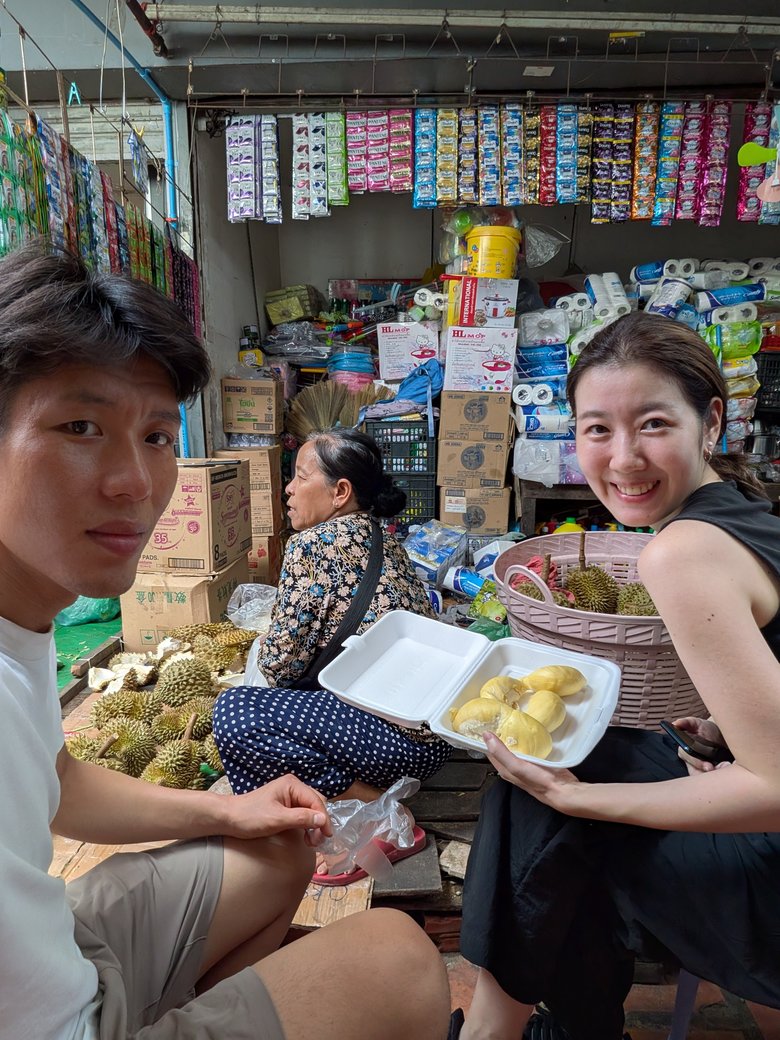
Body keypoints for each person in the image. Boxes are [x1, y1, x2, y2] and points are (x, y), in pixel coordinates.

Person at [0, 242, 451, 1040]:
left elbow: (56, 774)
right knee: (398, 956)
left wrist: (229, 809)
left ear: (337, 492)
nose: (135, 483)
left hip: (61, 954)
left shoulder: (25, 623)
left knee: (248, 734)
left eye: (155, 436)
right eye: (80, 425)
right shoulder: (388, 538)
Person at [454, 311, 780, 1040]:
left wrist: (591, 801)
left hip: (770, 894)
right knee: (557, 778)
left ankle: (495, 1030)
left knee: (544, 791)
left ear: (712, 422)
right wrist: (729, 732)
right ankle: (568, 1027)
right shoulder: (748, 516)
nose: (624, 457)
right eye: (597, 429)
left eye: (653, 423)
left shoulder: (680, 555)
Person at [213, 428, 452, 816]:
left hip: (397, 744)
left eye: (301, 478)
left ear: (340, 492)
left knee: (236, 713)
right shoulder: (383, 536)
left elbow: (279, 664)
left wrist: (263, 648)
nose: (288, 490)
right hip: (433, 740)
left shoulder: (311, 544)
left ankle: (372, 805)